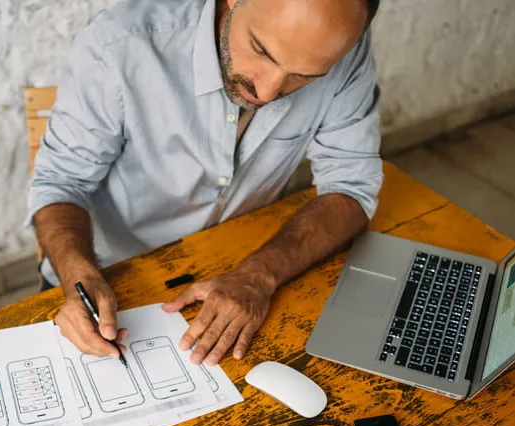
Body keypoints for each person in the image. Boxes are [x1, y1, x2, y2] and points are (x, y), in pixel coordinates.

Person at [28, 0, 383, 367]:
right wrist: (79, 278)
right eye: (261, 50)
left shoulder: (337, 44)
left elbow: (351, 186)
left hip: (241, 268)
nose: (268, 91)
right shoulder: (120, 44)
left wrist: (259, 274)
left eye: (304, 76)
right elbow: (60, 183)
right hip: (107, 282)